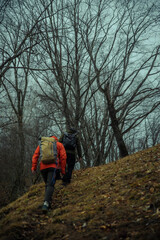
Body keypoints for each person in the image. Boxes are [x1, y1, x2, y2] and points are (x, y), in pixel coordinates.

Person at [31, 135, 66, 213]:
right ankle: (46, 203)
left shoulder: (42, 144)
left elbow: (35, 156)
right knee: (50, 185)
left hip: (42, 167)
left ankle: (47, 203)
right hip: (53, 167)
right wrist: (63, 171)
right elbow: (63, 157)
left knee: (47, 184)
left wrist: (33, 167)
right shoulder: (58, 144)